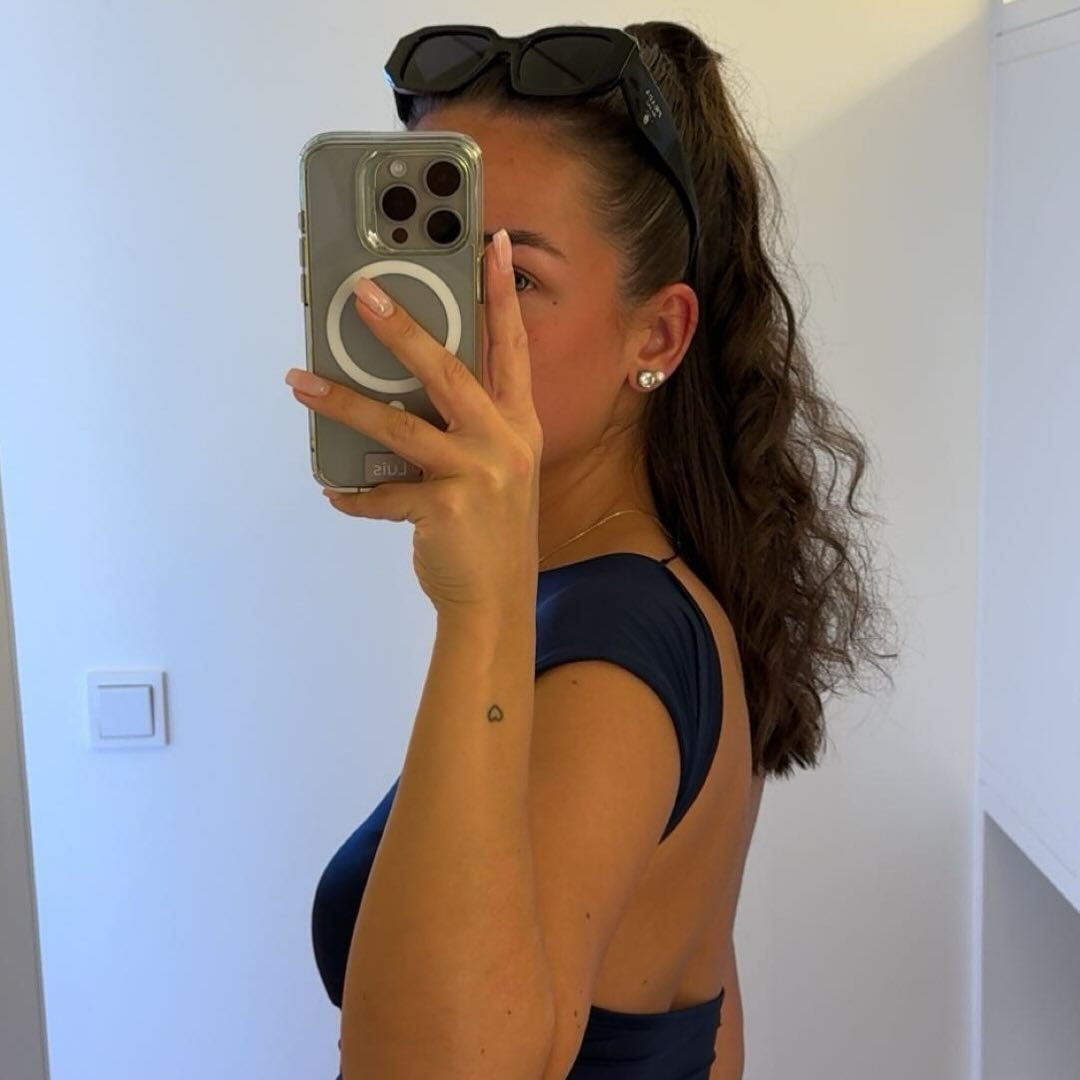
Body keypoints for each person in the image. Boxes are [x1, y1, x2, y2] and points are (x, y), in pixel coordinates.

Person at [309, 19, 898, 1080]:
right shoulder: (633, 594)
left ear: (656, 336)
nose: (446, 328)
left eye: (516, 278)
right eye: (433, 261)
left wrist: (479, 612)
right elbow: (708, 1010)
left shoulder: (612, 649)